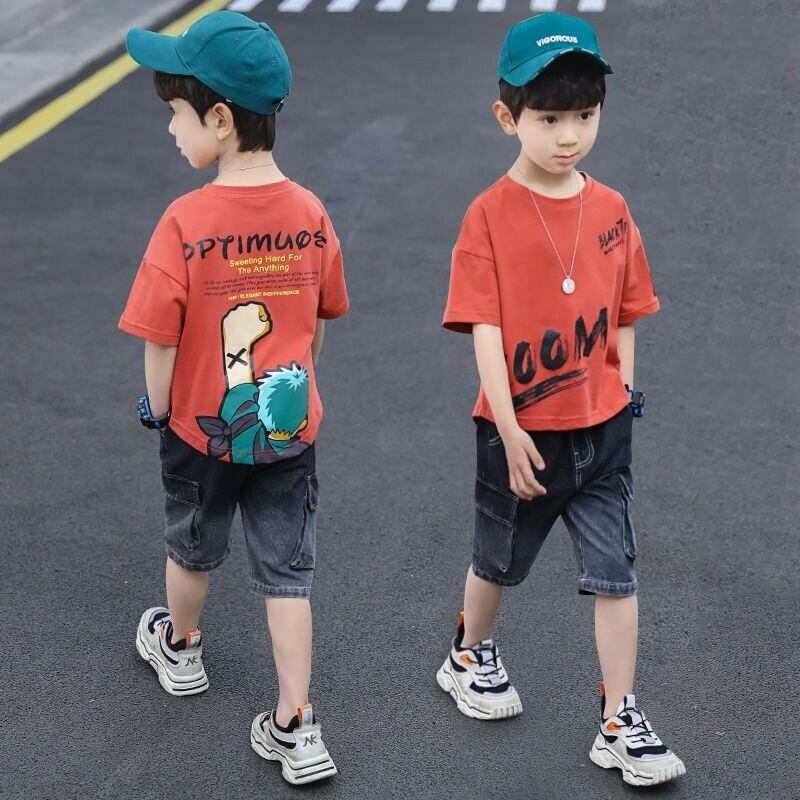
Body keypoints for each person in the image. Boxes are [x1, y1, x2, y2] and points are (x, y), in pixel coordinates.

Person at [437, 12, 685, 787]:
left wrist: (625, 392)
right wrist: (509, 427)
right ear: (507, 117)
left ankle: (619, 716)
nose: (570, 135)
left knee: (618, 573)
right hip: (521, 433)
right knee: (498, 560)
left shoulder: (612, 209)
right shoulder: (488, 215)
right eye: (549, 119)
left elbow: (627, 309)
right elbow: (483, 329)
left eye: (585, 114)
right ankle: (469, 652)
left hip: (602, 431)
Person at [119, 11, 348, 786]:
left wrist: (159, 409)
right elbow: (317, 323)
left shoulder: (184, 222)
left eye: (176, 113)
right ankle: (297, 722)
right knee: (288, 575)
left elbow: (159, 339)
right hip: (288, 432)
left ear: (219, 119)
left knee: (192, 545)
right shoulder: (310, 213)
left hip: (204, 433)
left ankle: (182, 647)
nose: (170, 128)